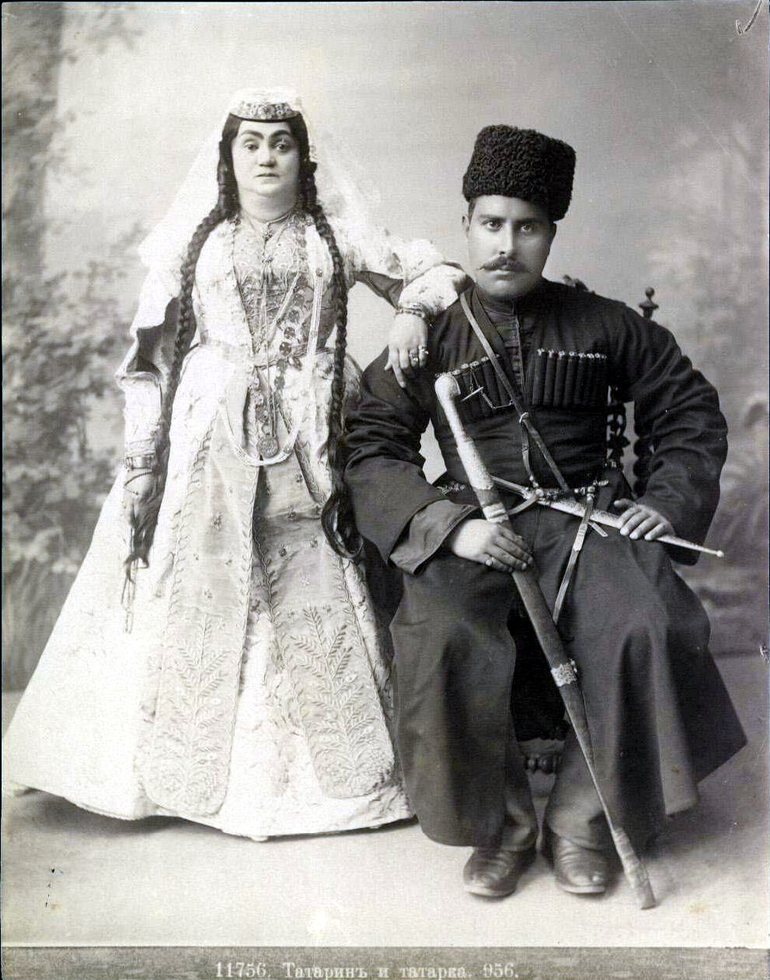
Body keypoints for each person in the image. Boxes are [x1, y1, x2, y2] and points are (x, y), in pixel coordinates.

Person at [3, 89, 468, 840]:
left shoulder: (337, 236)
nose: (265, 157)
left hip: (315, 431)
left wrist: (412, 309)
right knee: (197, 573)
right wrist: (144, 461)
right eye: (250, 143)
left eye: (281, 143)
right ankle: (172, 774)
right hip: (209, 432)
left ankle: (341, 778)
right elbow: (150, 364)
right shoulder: (197, 243)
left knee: (319, 566)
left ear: (303, 156)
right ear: (228, 156)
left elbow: (436, 273)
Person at [343, 124, 747, 898]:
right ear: (465, 224)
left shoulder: (608, 324)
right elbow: (371, 446)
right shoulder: (427, 332)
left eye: (527, 227)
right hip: (472, 527)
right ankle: (502, 827)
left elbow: (689, 413)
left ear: (552, 233)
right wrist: (449, 528)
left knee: (643, 622)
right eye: (491, 224)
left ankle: (580, 818)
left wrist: (665, 502)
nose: (506, 246)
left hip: (587, 521)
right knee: (443, 630)